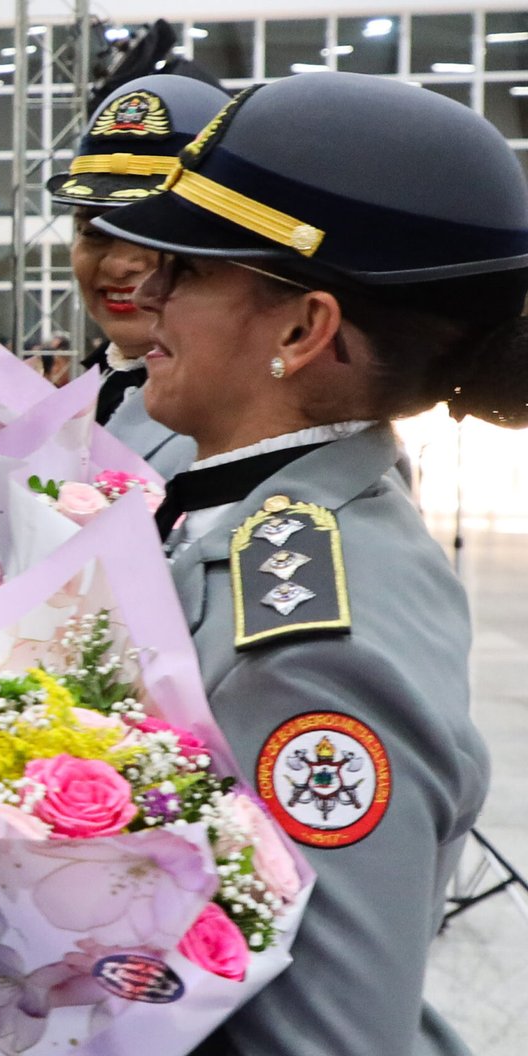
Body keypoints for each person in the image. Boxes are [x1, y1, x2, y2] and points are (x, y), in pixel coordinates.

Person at [92, 70, 528, 1055]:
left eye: (189, 270)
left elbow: (323, 1036)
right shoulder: (240, 520)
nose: (142, 290)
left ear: (302, 330)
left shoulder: (308, 642)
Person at [45, 74, 230, 478]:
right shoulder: (94, 386)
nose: (117, 264)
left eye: (151, 235)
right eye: (93, 233)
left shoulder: (251, 419)